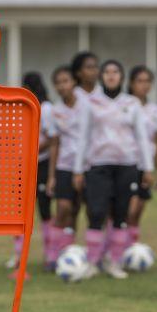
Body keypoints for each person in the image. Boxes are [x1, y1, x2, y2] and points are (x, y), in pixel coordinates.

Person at [73, 60, 155, 279]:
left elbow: (142, 137)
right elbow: (83, 137)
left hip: (127, 165)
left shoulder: (132, 103)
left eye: (115, 72)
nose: (111, 76)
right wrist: (78, 169)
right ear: (101, 76)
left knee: (121, 214)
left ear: (121, 77)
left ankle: (114, 261)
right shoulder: (91, 102)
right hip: (98, 165)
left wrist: (147, 167)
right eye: (107, 72)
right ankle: (92, 261)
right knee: (97, 212)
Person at [7, 71, 58, 276]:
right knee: (18, 214)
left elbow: (51, 139)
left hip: (41, 166)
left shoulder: (45, 109)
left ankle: (50, 255)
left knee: (45, 211)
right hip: (21, 166)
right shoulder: (22, 108)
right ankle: (20, 256)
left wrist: (31, 149)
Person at [45, 66, 91, 266]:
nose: (62, 85)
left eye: (66, 81)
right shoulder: (56, 110)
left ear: (74, 82)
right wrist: (52, 176)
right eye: (58, 82)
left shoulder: (87, 106)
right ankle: (54, 254)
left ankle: (71, 252)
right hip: (64, 165)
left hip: (87, 164)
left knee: (78, 209)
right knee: (63, 207)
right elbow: (55, 143)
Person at [126, 65, 157, 246]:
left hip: (146, 166)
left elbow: (155, 140)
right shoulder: (125, 105)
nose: (144, 85)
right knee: (128, 211)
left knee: (138, 211)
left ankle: (131, 249)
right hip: (129, 163)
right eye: (140, 81)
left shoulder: (154, 109)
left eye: (147, 81)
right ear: (131, 84)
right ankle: (118, 248)